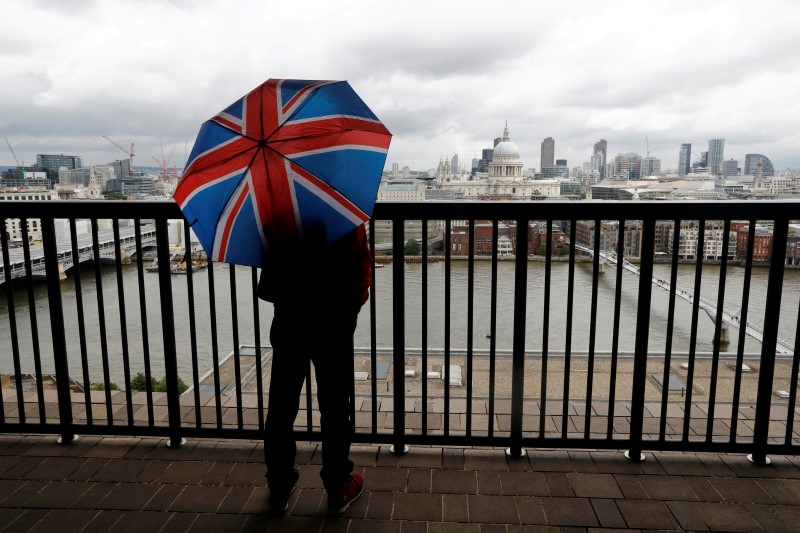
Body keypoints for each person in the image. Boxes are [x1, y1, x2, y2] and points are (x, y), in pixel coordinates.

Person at [257, 223, 372, 516]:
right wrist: (349, 309)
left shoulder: (277, 212)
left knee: (281, 406)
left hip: (289, 318)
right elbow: (361, 270)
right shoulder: (341, 213)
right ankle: (337, 487)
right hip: (333, 321)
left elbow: (269, 269)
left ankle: (279, 489)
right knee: (335, 407)